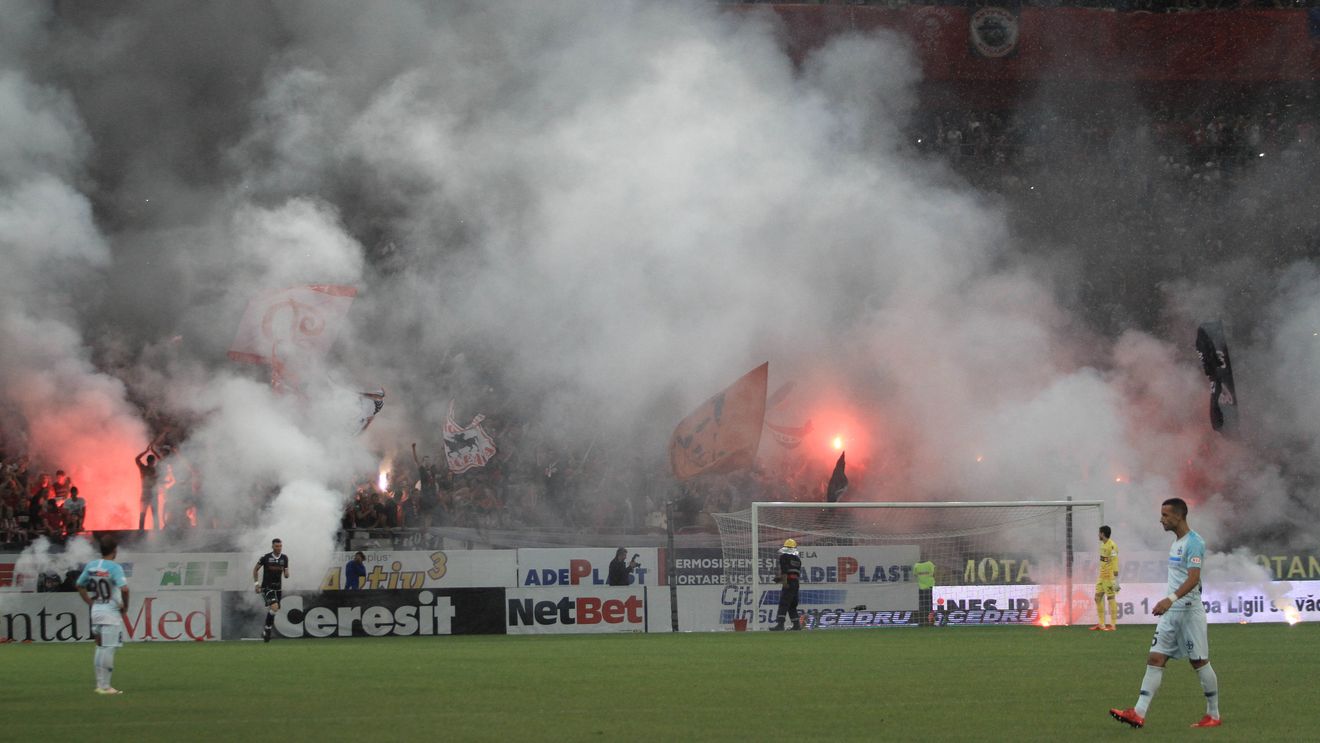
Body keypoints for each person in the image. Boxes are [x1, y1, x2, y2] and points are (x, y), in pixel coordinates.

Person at [1110, 498, 1221, 729]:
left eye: (1165, 515)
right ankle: (1138, 713)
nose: (1161, 519)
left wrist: (1169, 599)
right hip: (1172, 614)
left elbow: (1193, 578)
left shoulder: (1194, 542)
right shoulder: (1176, 543)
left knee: (1199, 661)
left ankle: (1213, 714)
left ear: (1179, 516)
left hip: (1188, 611)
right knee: (1155, 658)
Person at [75, 536, 129, 695]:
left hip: (96, 610)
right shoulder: (114, 567)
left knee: (100, 647)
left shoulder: (92, 566)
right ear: (114, 551)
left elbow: (79, 585)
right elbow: (125, 589)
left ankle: (100, 684)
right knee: (109, 648)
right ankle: (106, 686)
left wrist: (89, 602)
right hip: (110, 613)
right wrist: (125, 607)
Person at [252, 538, 289, 643]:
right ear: (272, 547)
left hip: (278, 588)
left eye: (280, 546)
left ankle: (266, 629)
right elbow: (255, 570)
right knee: (274, 606)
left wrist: (287, 574)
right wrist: (256, 584)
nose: (279, 548)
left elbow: (286, 571)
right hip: (267, 587)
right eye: (277, 546)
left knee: (274, 610)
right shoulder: (265, 557)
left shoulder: (284, 558)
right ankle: (268, 630)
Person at [1091, 525, 1120, 631]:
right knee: (1097, 598)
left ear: (1103, 534)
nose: (1098, 535)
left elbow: (1115, 560)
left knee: (1111, 598)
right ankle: (1101, 624)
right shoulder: (1102, 545)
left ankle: (1113, 625)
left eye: (1099, 533)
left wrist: (1116, 579)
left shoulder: (1112, 546)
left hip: (1109, 576)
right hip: (1101, 576)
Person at [770, 538, 803, 631]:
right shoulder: (797, 559)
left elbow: (785, 571)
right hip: (796, 583)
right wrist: (780, 579)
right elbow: (794, 573)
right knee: (792, 605)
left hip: (788, 582)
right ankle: (796, 625)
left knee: (784, 603)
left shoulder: (784, 557)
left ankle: (780, 624)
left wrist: (783, 582)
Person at [135, 438, 162, 530]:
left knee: (144, 515)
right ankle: (156, 532)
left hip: (147, 494)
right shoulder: (153, 469)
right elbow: (161, 460)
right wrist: (153, 451)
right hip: (150, 494)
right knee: (152, 515)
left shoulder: (144, 469)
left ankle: (141, 532)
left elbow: (137, 459)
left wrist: (146, 451)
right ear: (153, 461)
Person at [913, 557, 936, 626]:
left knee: (923, 605)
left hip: (921, 588)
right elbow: (933, 572)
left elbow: (915, 574)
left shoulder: (916, 565)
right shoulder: (930, 564)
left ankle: (923, 621)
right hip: (930, 587)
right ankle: (931, 621)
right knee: (930, 605)